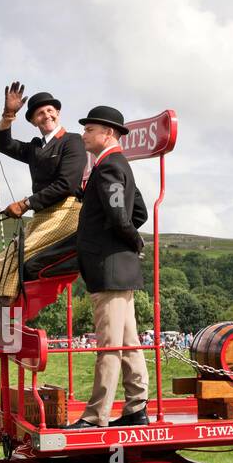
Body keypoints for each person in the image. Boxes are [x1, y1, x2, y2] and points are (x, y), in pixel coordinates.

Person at [62, 105, 150, 429]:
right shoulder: (116, 164)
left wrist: (130, 240)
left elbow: (120, 215)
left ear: (107, 134)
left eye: (89, 129)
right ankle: (137, 408)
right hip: (118, 270)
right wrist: (125, 235)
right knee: (128, 341)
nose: (84, 134)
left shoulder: (109, 166)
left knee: (110, 346)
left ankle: (95, 415)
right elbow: (137, 210)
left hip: (109, 270)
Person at [0, 81, 86, 339]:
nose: (46, 115)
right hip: (42, 215)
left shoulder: (72, 142)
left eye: (50, 111)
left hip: (66, 212)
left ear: (57, 113)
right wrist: (7, 115)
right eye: (40, 113)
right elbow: (4, 145)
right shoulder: (37, 147)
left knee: (15, 258)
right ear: (34, 120)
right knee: (1, 259)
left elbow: (66, 184)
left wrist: (25, 203)